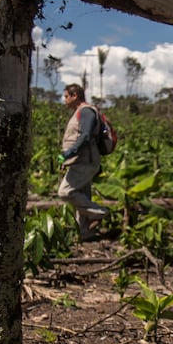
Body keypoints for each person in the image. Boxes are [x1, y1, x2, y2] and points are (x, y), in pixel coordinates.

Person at [58, 83, 111, 241]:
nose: (64, 100)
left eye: (66, 96)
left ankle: (101, 213)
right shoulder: (80, 112)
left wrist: (69, 153)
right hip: (82, 161)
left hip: (86, 161)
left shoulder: (86, 111)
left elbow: (85, 136)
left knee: (65, 192)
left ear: (75, 96)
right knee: (82, 195)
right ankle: (84, 233)